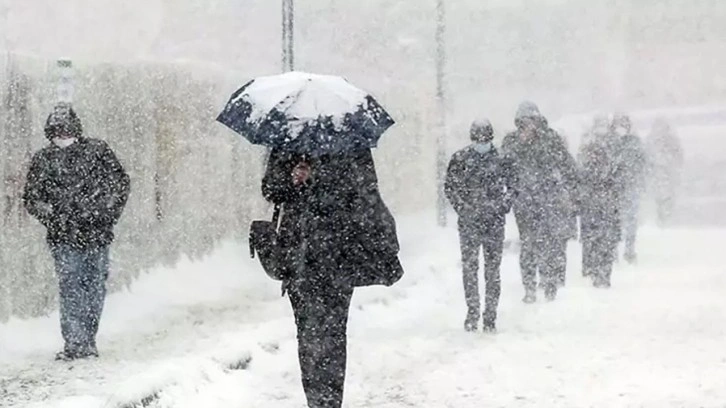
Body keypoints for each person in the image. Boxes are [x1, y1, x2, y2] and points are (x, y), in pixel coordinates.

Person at [262, 147, 402, 408]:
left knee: (333, 335)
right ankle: (316, 401)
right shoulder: (287, 143)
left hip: (339, 258)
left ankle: (329, 402)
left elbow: (365, 192)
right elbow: (270, 189)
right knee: (307, 335)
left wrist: (322, 182)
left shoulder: (352, 145)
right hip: (299, 259)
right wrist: (291, 180)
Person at [23, 104, 130, 360]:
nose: (61, 135)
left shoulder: (98, 151)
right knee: (72, 286)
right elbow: (32, 198)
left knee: (93, 288)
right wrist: (55, 217)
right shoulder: (43, 159)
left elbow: (119, 185)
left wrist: (102, 213)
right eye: (56, 131)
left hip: (97, 234)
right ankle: (75, 342)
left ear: (76, 129)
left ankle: (87, 339)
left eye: (65, 129)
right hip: (64, 237)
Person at [502, 101, 578, 302]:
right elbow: (504, 167)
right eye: (524, 121)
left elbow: (567, 165)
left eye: (531, 120)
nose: (528, 125)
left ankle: (549, 282)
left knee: (549, 243)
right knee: (528, 244)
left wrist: (573, 191)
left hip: (548, 199)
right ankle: (529, 287)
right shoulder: (511, 141)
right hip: (524, 202)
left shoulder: (550, 138)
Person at [444, 119, 516, 332]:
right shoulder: (460, 159)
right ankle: (473, 310)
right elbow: (450, 187)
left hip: (494, 222)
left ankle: (490, 314)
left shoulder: (503, 159)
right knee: (470, 268)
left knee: (492, 270)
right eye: (478, 139)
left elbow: (514, 186)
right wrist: (463, 208)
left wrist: (503, 205)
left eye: (485, 139)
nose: (481, 142)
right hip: (469, 222)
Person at [578, 116, 622, 287]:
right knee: (595, 243)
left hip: (606, 211)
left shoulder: (610, 168)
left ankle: (604, 274)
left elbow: (618, 186)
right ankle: (597, 273)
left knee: (606, 244)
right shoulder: (587, 169)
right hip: (594, 211)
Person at [611, 113, 647, 263]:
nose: (621, 128)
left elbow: (643, 163)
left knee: (630, 220)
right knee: (614, 221)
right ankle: (613, 251)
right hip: (614, 188)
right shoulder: (609, 142)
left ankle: (629, 250)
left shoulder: (635, 142)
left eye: (623, 125)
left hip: (630, 186)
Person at [645, 118, 683, 225]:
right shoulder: (650, 140)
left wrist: (672, 166)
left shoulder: (672, 140)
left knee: (668, 196)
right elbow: (645, 157)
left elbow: (679, 156)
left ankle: (667, 217)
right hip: (657, 174)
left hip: (668, 173)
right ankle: (661, 217)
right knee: (659, 197)